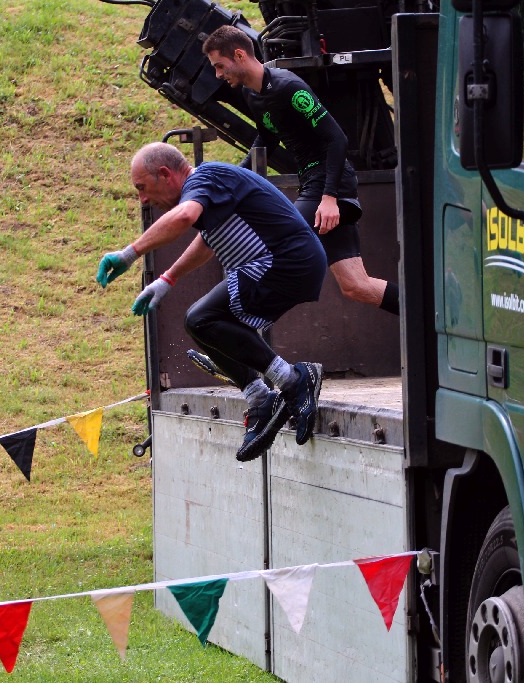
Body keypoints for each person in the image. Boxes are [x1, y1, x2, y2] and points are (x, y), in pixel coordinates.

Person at [96, 142, 325, 461]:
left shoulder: (205, 177)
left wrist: (129, 253)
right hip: (287, 264)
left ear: (165, 174)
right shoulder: (210, 186)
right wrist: (167, 279)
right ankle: (261, 398)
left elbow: (184, 216)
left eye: (142, 188)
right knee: (205, 326)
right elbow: (207, 240)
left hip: (285, 261)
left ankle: (294, 380)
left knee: (203, 318)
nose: (143, 199)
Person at [202, 25, 399, 315]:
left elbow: (337, 139)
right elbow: (267, 139)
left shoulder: (288, 87)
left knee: (268, 243)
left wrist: (330, 198)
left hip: (327, 185)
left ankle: (228, 321)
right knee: (356, 286)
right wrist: (235, 178)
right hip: (312, 184)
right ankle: (430, 313)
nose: (218, 74)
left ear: (240, 55)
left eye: (220, 66)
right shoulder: (252, 95)